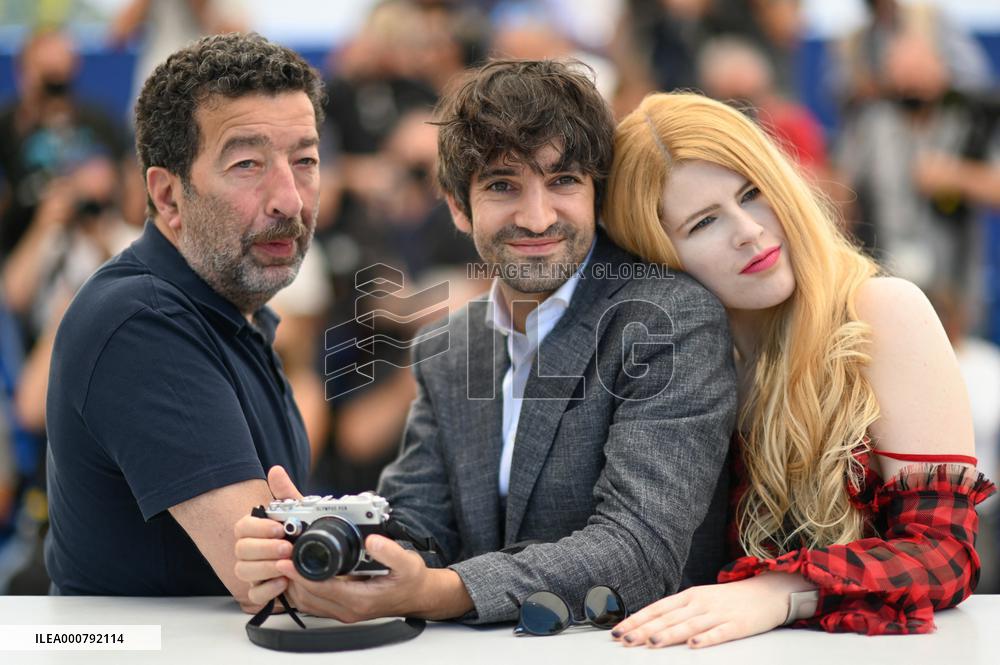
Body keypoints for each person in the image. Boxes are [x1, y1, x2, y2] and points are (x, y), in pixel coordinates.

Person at [233, 59, 737, 624]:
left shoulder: (669, 317)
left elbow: (640, 549)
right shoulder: (449, 344)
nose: (538, 216)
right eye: (503, 185)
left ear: (596, 191)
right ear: (456, 206)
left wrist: (437, 592)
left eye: (563, 180)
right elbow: (419, 525)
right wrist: (322, 541)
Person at [601, 91, 996, 648]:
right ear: (659, 255)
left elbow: (945, 556)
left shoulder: (881, 310)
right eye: (704, 222)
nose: (748, 230)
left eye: (752, 192)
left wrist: (779, 590)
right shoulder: (682, 364)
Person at [44, 33, 323, 602]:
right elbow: (272, 584)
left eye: (305, 161)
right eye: (247, 164)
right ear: (168, 197)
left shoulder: (234, 313)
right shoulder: (141, 322)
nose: (290, 199)